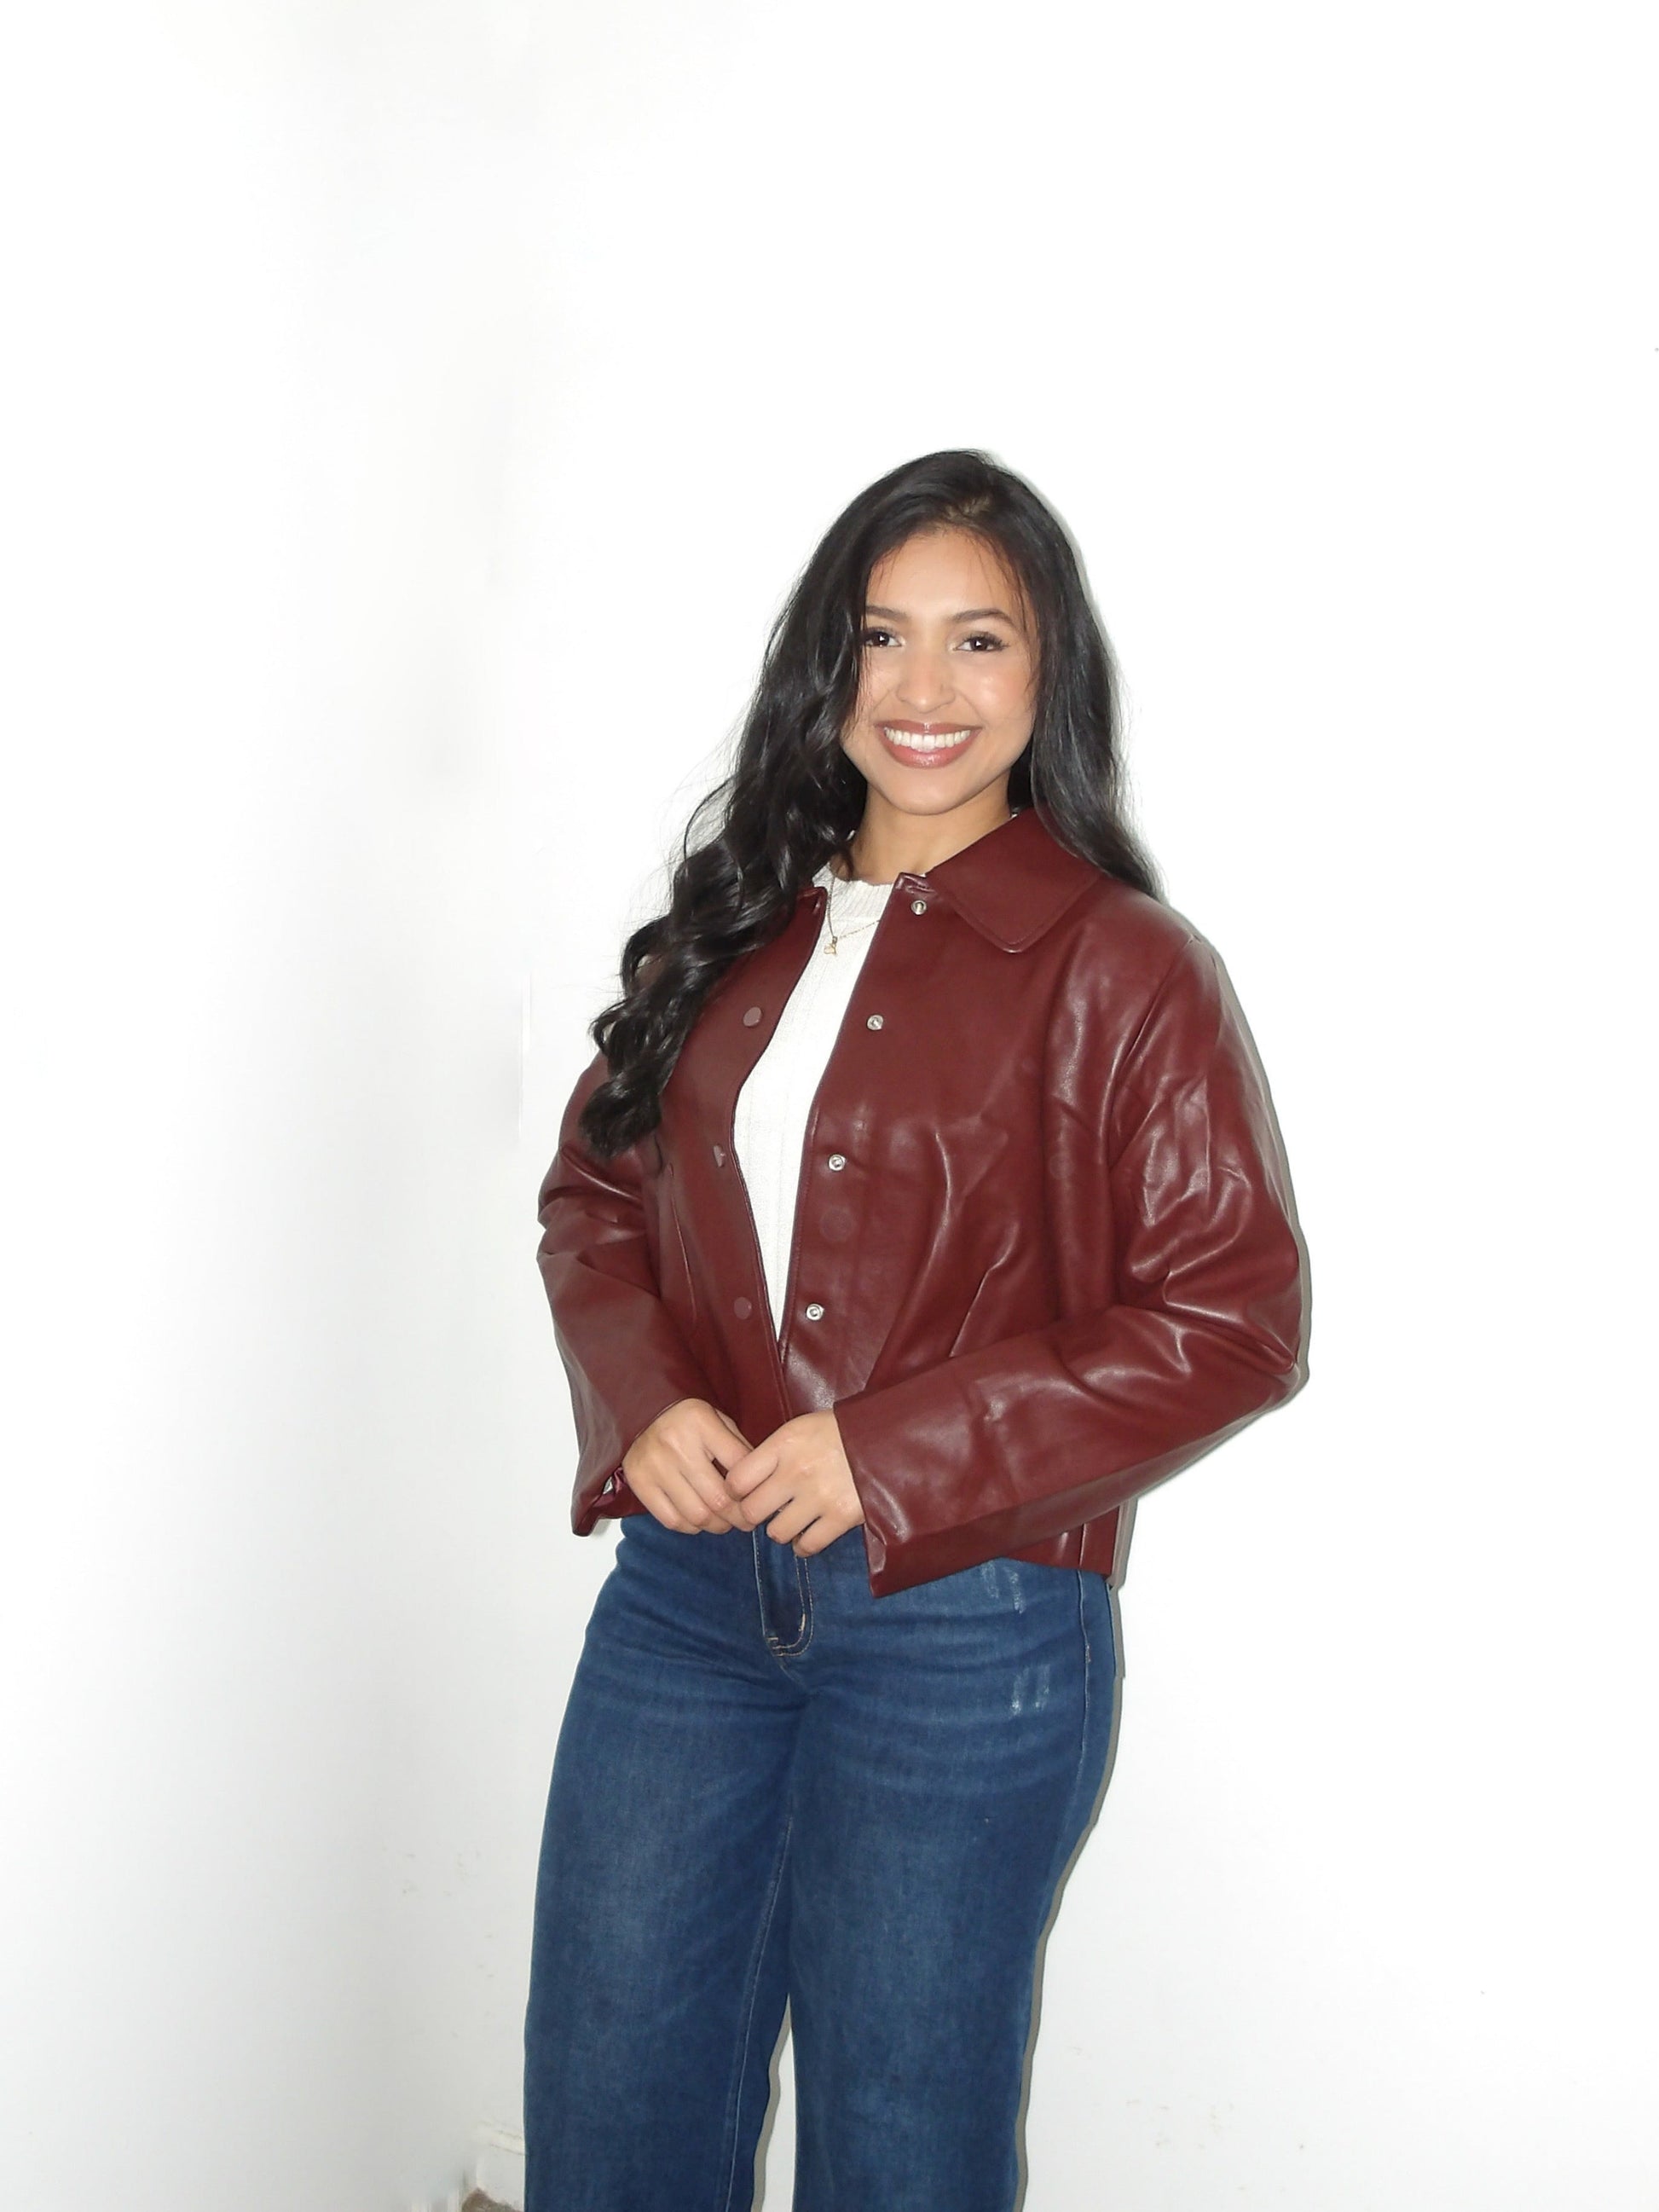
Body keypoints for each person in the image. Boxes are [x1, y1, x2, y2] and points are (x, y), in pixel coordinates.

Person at [523, 449, 1309, 2212]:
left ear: (1048, 677)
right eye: (882, 640)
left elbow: (1236, 1314)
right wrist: (642, 1403)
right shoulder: (728, 933)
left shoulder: (1125, 965)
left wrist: (888, 1453)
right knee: (610, 2110)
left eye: (978, 642)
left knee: (901, 2151)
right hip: (680, 1600)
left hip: (970, 1625)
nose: (925, 692)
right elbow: (593, 1203)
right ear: (830, 667)